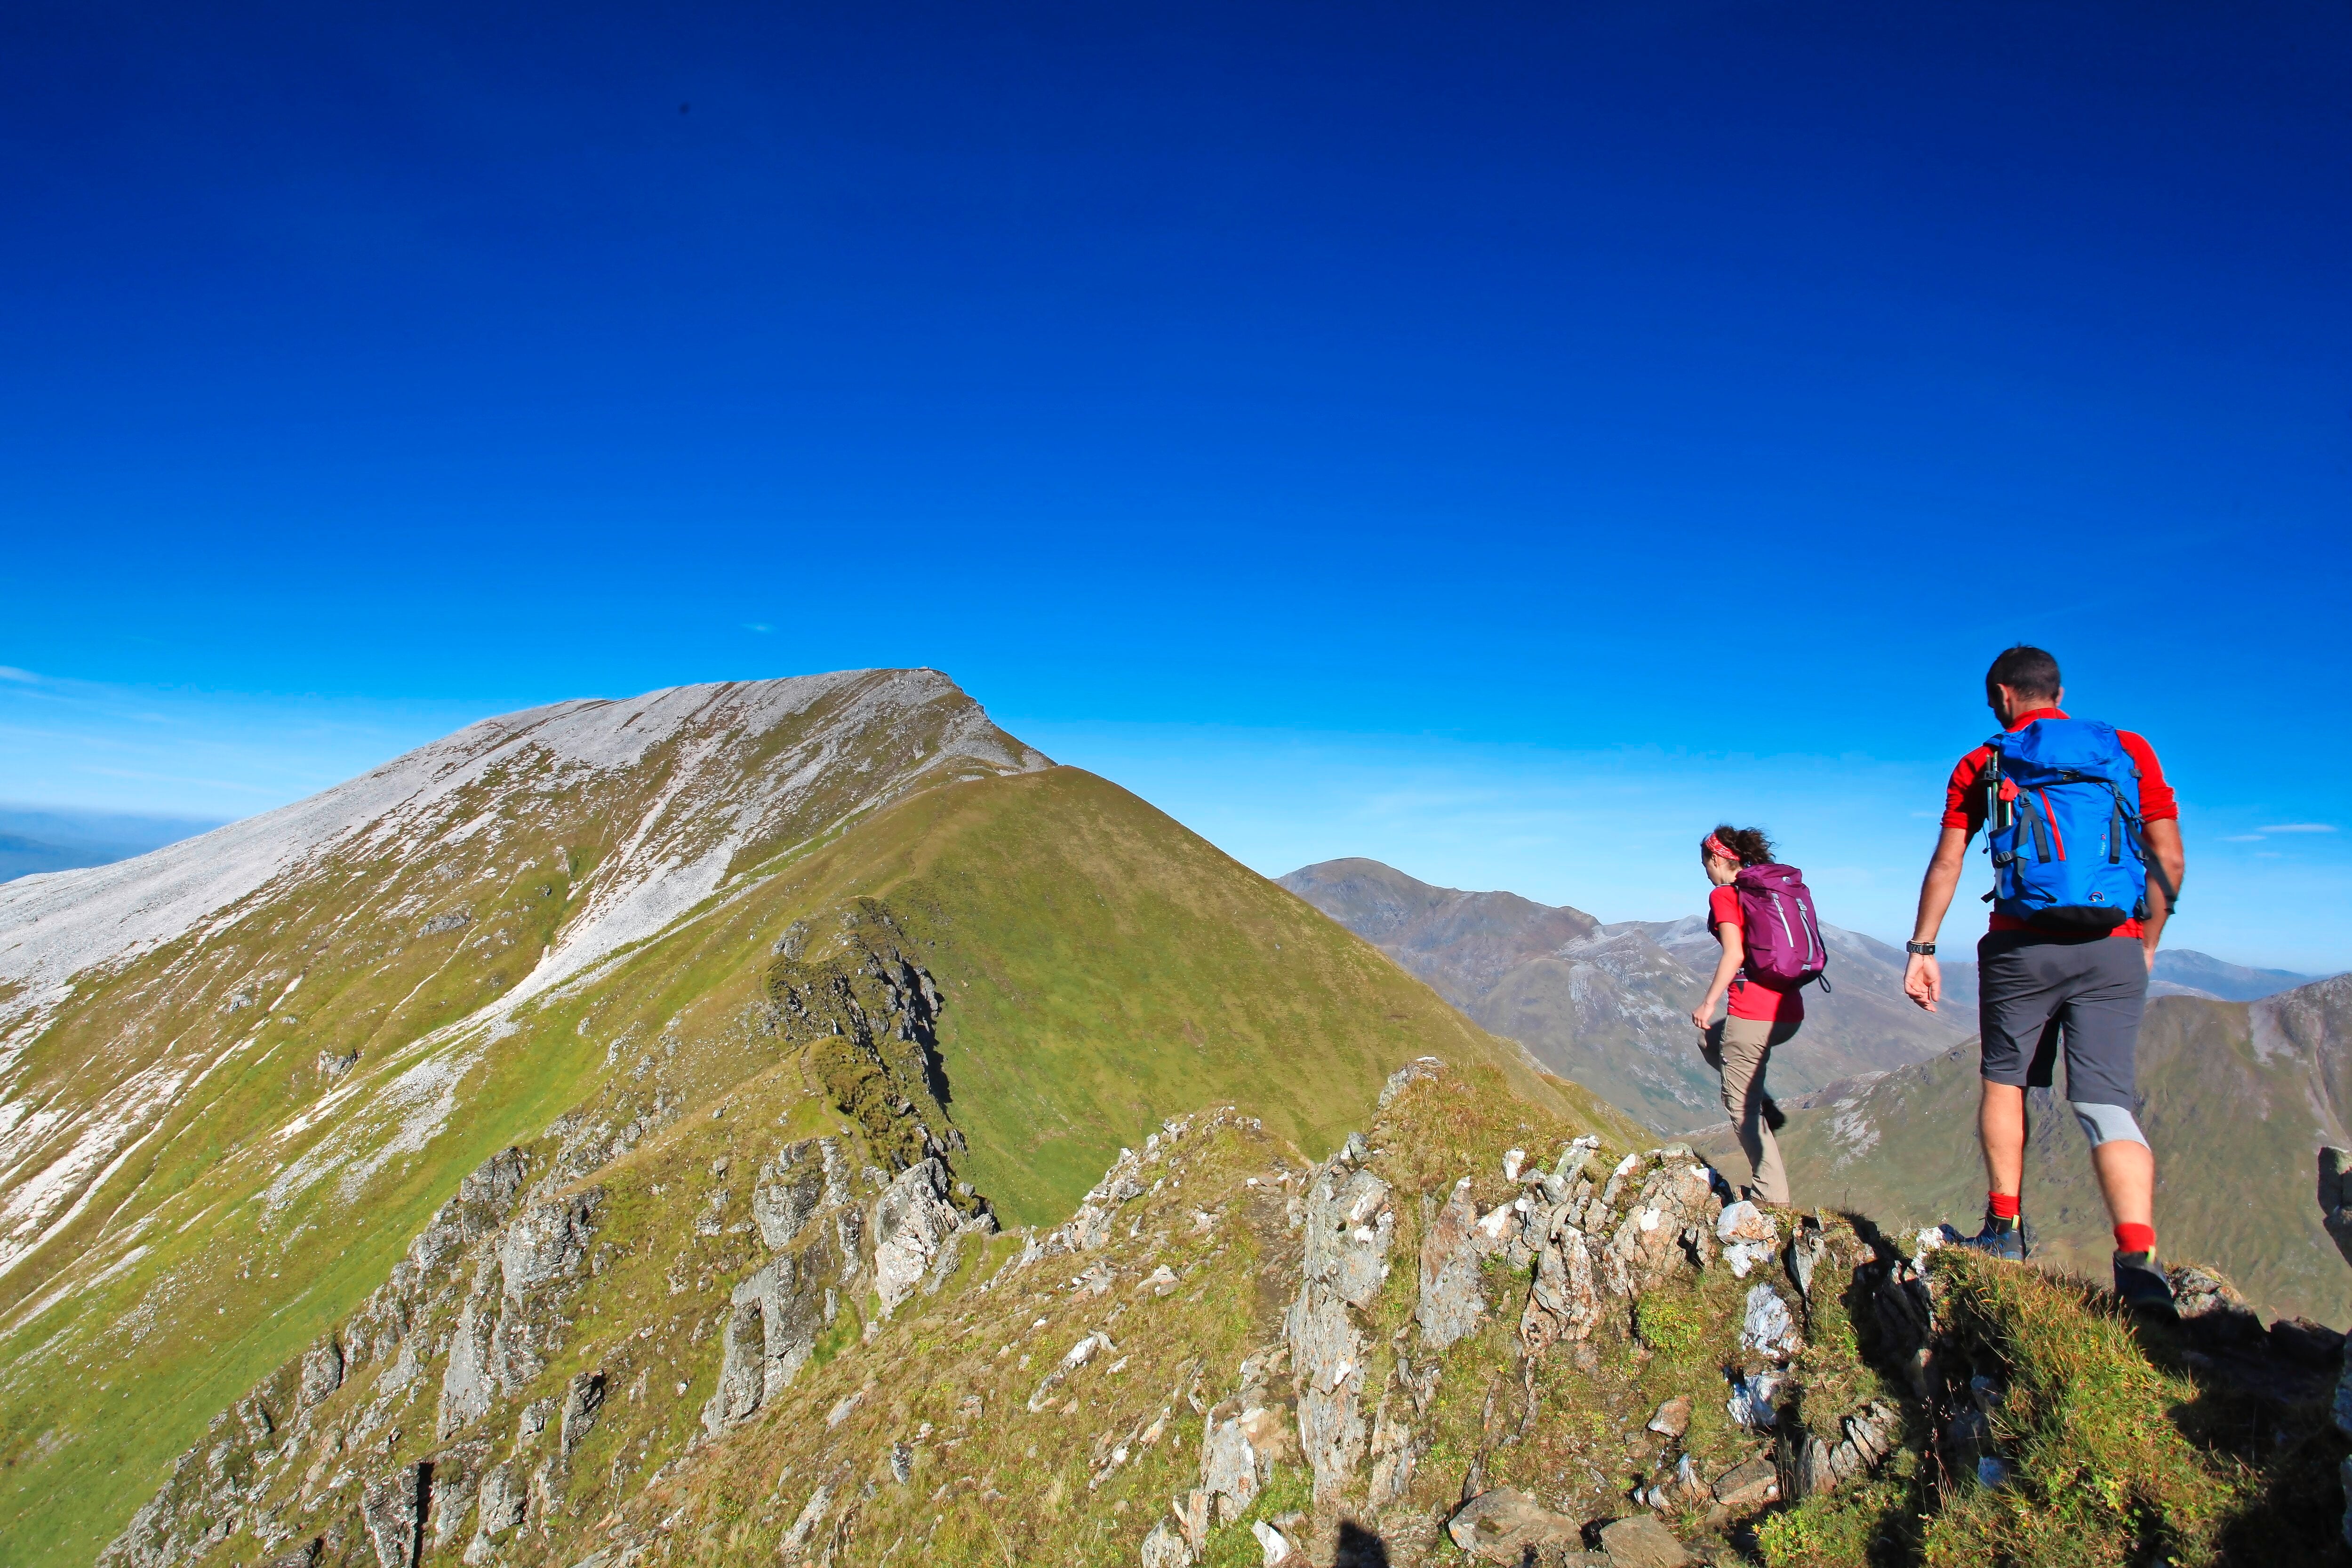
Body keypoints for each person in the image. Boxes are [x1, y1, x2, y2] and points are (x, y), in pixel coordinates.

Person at [1901, 645, 2185, 1314]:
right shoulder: (2128, 750)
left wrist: (1922, 946)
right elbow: (2167, 854)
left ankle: (2004, 1231)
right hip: (2111, 948)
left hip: (2019, 948)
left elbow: (1947, 861)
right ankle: (2138, 1263)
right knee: (2105, 1101)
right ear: (2056, 691)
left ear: (2003, 694)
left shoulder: (1983, 760)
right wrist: (2144, 941)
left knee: (2005, 1080)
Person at [1691, 824, 1804, 1208]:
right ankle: (1766, 1107)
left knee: (1741, 1108)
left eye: (1705, 862)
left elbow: (1735, 954)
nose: (1705, 870)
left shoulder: (1725, 894)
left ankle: (1772, 1198)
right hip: (1788, 1013)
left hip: (1752, 1015)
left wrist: (1708, 1003)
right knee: (1709, 1040)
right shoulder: (1768, 893)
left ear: (1718, 859)